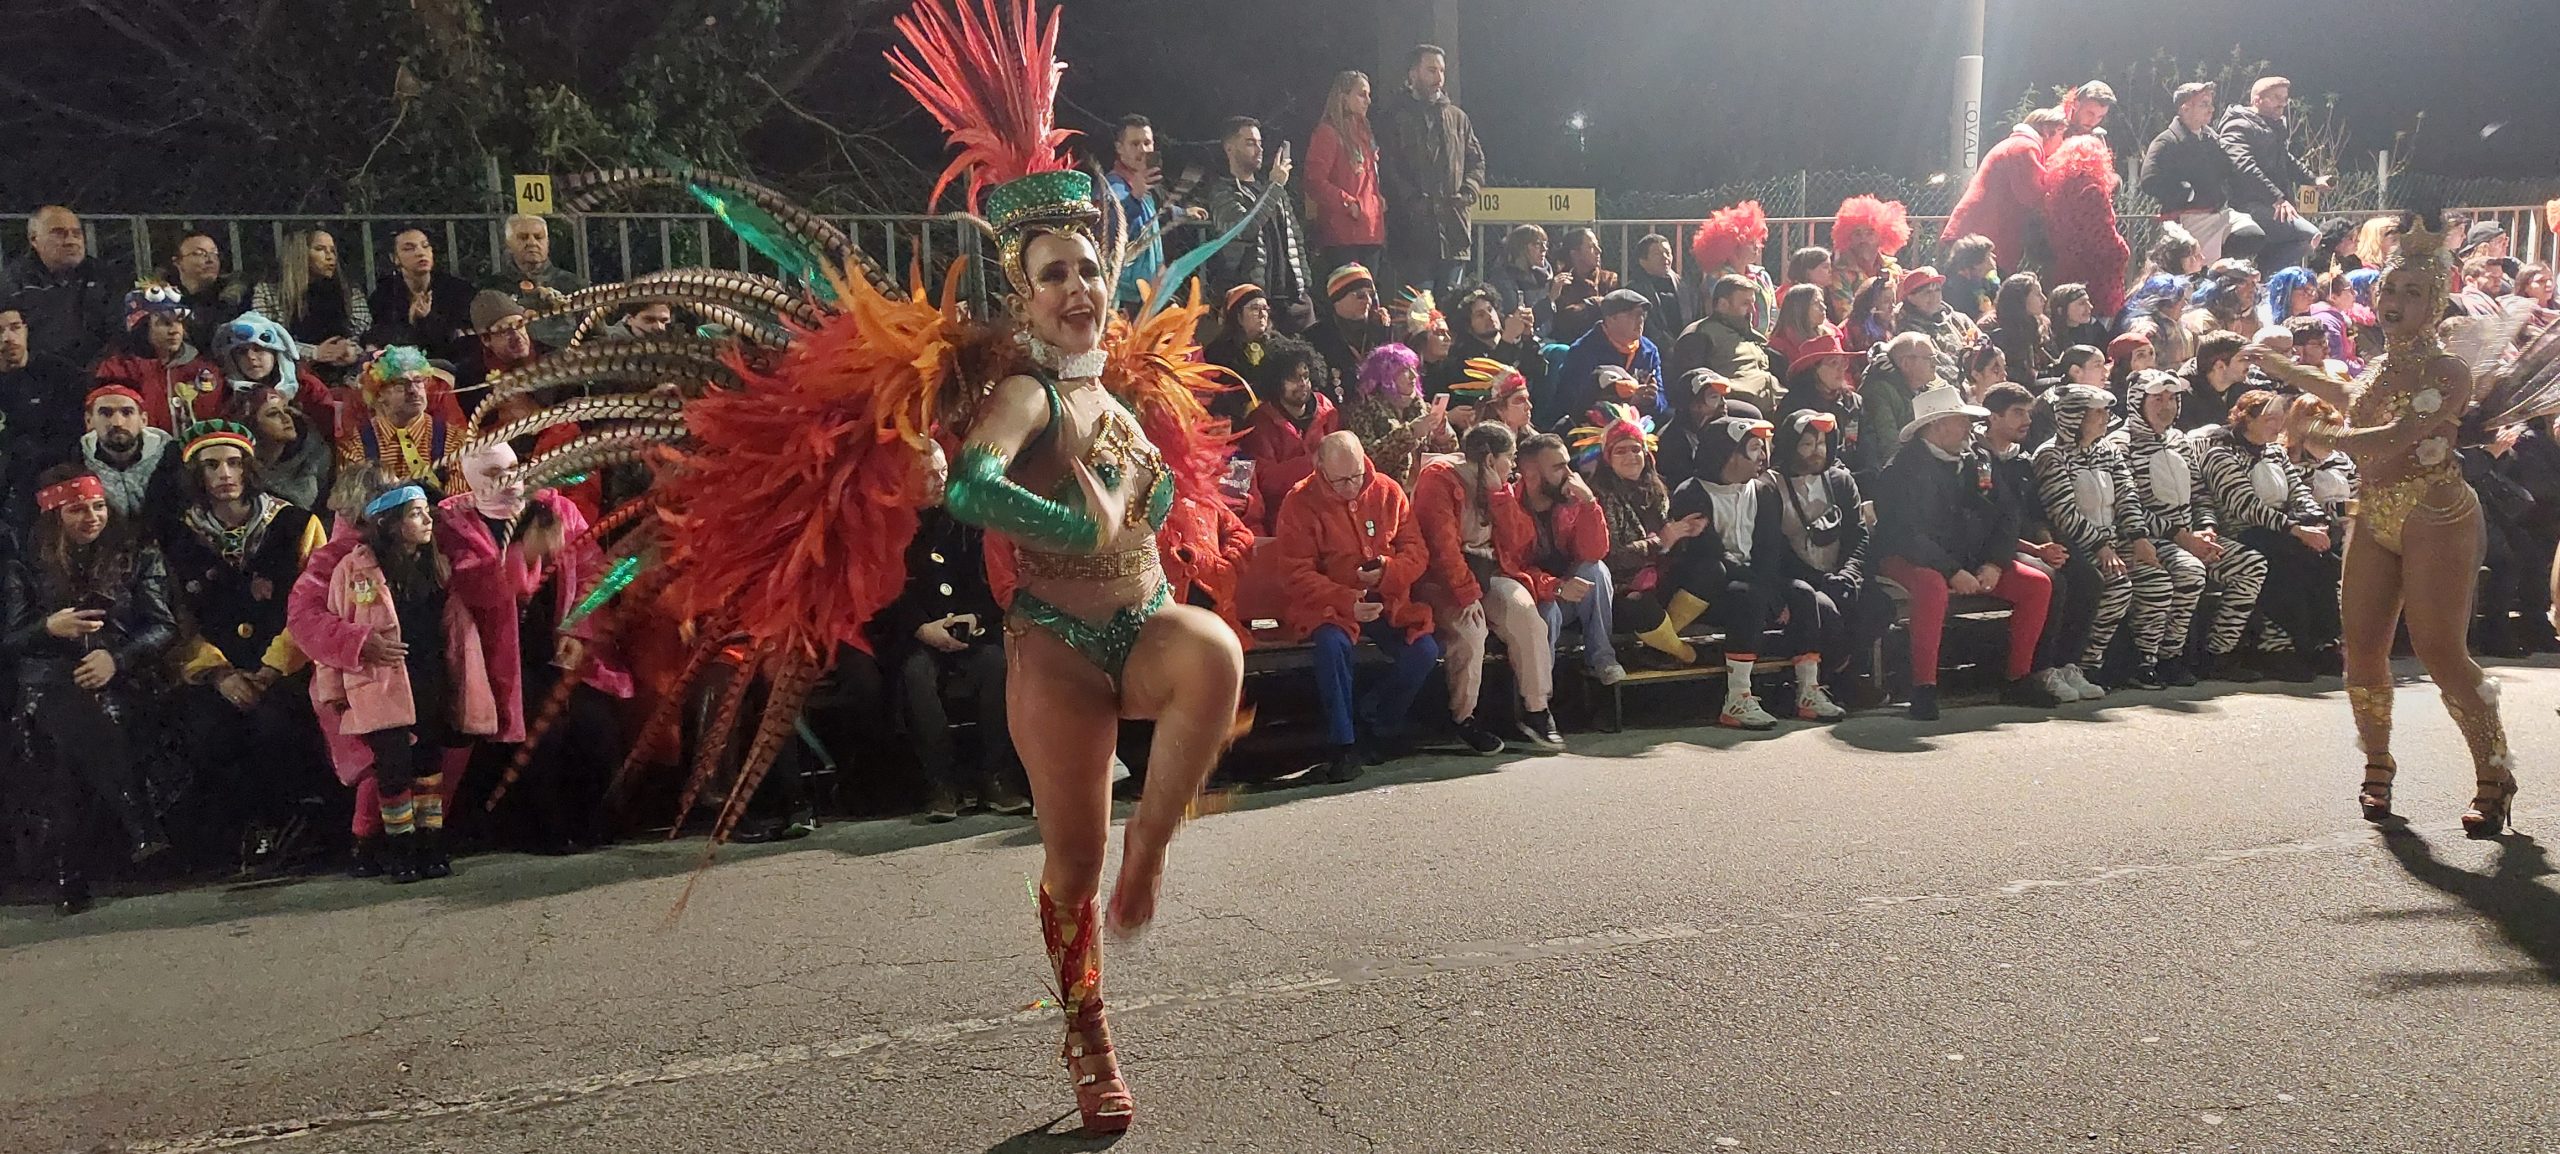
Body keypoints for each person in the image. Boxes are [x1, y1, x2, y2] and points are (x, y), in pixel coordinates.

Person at [2244, 219, 2520, 836]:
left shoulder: (2449, 372)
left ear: (2437, 303)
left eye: (2415, 293)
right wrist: (2285, 373)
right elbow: (2350, 398)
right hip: (2374, 512)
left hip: (2436, 513)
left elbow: (2395, 437)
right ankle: (2377, 764)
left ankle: (2494, 770)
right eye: (2391, 290)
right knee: (2362, 648)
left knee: (2440, 650)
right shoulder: (2374, 367)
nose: (2396, 302)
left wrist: (2320, 437)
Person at [437, 442, 630, 852]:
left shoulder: (556, 509)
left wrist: (579, 634)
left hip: (556, 649)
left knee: (597, 726)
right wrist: (524, 553)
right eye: (492, 474)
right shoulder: (456, 522)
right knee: (544, 732)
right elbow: (473, 587)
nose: (506, 480)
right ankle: (541, 830)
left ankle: (594, 823)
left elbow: (594, 572)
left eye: (511, 468)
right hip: (497, 661)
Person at [4, 465, 176, 914]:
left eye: (98, 507)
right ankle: (140, 822)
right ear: (54, 517)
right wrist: (47, 626)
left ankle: (69, 871)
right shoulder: (24, 564)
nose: (92, 518)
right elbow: (10, 641)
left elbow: (162, 626)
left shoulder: (136, 553)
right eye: (78, 510)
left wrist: (116, 659)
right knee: (68, 712)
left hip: (121, 674)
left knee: (75, 730)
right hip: (48, 682)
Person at [310, 479, 498, 883]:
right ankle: (401, 847)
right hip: (379, 684)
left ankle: (432, 842)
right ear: (391, 524)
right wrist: (333, 690)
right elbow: (331, 628)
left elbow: (453, 627)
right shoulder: (355, 569)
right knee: (394, 768)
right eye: (416, 514)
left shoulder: (436, 567)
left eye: (426, 512)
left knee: (429, 765)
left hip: (427, 677)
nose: (427, 519)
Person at [162, 420, 331, 867]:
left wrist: (273, 667)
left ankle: (294, 827)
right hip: (215, 673)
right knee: (207, 732)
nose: (224, 474)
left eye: (234, 462)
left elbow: (316, 602)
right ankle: (235, 834)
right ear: (195, 475)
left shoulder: (297, 524)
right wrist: (218, 673)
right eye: (212, 465)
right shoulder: (175, 538)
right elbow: (175, 618)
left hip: (286, 666)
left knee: (277, 725)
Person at [1874, 387, 2058, 719]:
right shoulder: (1902, 470)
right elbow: (1908, 534)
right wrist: (1951, 571)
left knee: (2037, 584)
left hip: (1972, 559)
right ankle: (1924, 688)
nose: (1968, 429)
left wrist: (1995, 563)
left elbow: (2007, 514)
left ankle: (2017, 677)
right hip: (1909, 558)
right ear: (1937, 426)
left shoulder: (1978, 459)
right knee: (1930, 586)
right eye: (1960, 421)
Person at [1642, 416, 1838, 728]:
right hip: (1711, 588)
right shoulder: (1691, 493)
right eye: (1754, 449)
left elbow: (1768, 551)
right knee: (1749, 598)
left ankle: (1808, 692)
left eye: (1763, 448)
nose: (1763, 456)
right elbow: (1709, 557)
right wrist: (1770, 596)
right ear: (1730, 454)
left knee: (1802, 593)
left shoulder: (1763, 491)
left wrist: (1775, 593)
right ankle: (1737, 698)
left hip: (1756, 579)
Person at [1275, 430, 1437, 781]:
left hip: (1387, 600)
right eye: (1341, 481)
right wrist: (1346, 599)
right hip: (1328, 606)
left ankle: (1377, 722)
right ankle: (1343, 745)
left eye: (1357, 477)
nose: (1351, 487)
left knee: (1423, 649)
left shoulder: (1387, 491)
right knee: (1332, 648)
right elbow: (1296, 573)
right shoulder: (1299, 501)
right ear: (1320, 469)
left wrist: (1387, 573)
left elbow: (1416, 551)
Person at [1413, 423, 1568, 753]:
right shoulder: (1438, 479)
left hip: (1488, 571)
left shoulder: (1499, 484)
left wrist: (1500, 498)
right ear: (1488, 459)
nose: (1512, 465)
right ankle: (1464, 719)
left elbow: (1520, 540)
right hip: (1440, 579)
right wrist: (1467, 593)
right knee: (1471, 629)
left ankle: (1536, 710)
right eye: (1509, 457)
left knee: (1525, 614)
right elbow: (1441, 549)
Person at [873, 507, 1027, 820]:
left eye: (940, 472)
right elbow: (884, 590)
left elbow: (985, 580)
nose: (936, 480)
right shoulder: (888, 526)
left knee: (996, 665)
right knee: (916, 675)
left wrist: (977, 617)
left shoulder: (964, 524)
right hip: (915, 637)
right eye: (928, 474)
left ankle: (996, 777)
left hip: (968, 631)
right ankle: (940, 784)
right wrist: (919, 627)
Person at [2111, 369, 2263, 684]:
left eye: (2172, 398)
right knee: (2189, 571)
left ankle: (2217, 654)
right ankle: (2156, 658)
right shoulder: (2119, 444)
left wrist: (2206, 527)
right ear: (2139, 401)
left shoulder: (2179, 440)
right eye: (2157, 398)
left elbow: (2199, 493)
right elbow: (2127, 505)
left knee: (2251, 565)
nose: (2166, 405)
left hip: (2190, 535)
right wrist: (2181, 537)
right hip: (2146, 538)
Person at [2198, 390, 2340, 680]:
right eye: (2269, 419)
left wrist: (2315, 519)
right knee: (2284, 563)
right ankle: (2274, 649)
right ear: (2247, 418)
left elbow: (2298, 490)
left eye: (2280, 419)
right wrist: (2296, 529)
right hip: (2244, 530)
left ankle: (2320, 643)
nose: (2277, 426)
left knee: (2323, 560)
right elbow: (2244, 506)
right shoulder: (2221, 453)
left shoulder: (2275, 451)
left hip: (2284, 527)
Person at [1979, 384, 2100, 702]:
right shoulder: (1977, 460)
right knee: (2052, 581)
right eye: (2017, 413)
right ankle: (2040, 668)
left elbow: (2035, 513)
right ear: (1993, 417)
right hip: (1994, 547)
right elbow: (1988, 524)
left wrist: (2048, 544)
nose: (2027, 421)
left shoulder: (2022, 461)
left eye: (2028, 413)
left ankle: (2067, 664)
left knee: (2087, 576)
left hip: (2031, 543)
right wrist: (2037, 551)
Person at [2032, 383, 2151, 693]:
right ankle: (2082, 662)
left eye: (2105, 411)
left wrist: (2138, 535)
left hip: (2113, 539)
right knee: (2115, 584)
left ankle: (2150, 662)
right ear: (2074, 417)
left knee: (2159, 578)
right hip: (2076, 543)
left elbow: (2127, 495)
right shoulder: (2051, 455)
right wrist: (2101, 546)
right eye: (2095, 412)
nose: (2104, 417)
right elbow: (2063, 513)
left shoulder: (2108, 450)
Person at [1771, 408, 1891, 709]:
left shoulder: (1841, 481)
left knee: (1877, 606)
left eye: (1822, 443)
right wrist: (1820, 580)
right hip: (1795, 576)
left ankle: (1845, 677)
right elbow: (1774, 548)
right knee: (1824, 609)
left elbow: (1858, 534)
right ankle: (1829, 680)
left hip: (1839, 572)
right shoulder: (1769, 485)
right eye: (1807, 444)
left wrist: (1850, 572)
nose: (1816, 452)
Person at [1377, 43, 1484, 298]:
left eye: (1442, 71)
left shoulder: (1458, 118)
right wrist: (1413, 202)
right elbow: (1387, 168)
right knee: (1417, 317)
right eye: (1431, 70)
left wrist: (1468, 192)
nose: (1438, 78)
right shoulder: (1393, 117)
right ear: (1413, 74)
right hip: (1412, 237)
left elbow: (1476, 161)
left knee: (1451, 316)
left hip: (1454, 235)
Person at [1520, 428, 1620, 689]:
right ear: (1531, 475)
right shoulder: (1511, 505)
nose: (1569, 475)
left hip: (1568, 593)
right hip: (1532, 598)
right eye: (1558, 467)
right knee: (1547, 610)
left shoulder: (1570, 499)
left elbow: (1594, 553)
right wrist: (1555, 587)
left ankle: (1602, 659)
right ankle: (1541, 693)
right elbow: (1513, 568)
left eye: (1567, 464)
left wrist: (1588, 503)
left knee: (1596, 571)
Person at [2139, 82, 2267, 264]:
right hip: (2188, 217)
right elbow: (2150, 180)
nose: (2211, 109)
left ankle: (2217, 275)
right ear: (2185, 108)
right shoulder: (2166, 141)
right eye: (2204, 104)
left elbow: (2229, 170)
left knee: (2251, 235)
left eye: (2210, 104)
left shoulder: (2211, 138)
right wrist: (2185, 194)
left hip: (2219, 213)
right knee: (2191, 270)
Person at [1203, 117, 1311, 327]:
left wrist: (1305, 283)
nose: (1259, 149)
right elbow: (1245, 229)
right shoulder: (1222, 191)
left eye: (1260, 143)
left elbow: (1296, 237)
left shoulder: (1272, 189)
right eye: (1250, 143)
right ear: (1230, 148)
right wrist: (1274, 186)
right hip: (1255, 300)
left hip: (1293, 298)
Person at [2217, 78, 2329, 273]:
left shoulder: (2271, 127)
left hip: (2273, 205)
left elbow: (2285, 159)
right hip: (2250, 204)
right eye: (2276, 98)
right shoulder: (2237, 126)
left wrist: (2313, 180)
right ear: (2257, 100)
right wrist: (2276, 198)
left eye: (2285, 98)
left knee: (2288, 246)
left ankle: (2262, 281)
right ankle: (2261, 278)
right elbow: (2244, 166)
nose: (2283, 103)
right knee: (2309, 236)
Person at [0, 302, 91, 525]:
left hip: (56, 477)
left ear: (26, 329)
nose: (7, 338)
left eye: (15, 327)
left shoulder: (59, 372)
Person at [1943, 111, 2061, 281]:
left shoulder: (2015, 144)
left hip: (1977, 231)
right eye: (2061, 134)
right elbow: (2033, 195)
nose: (2062, 142)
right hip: (1985, 234)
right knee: (1976, 294)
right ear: (2048, 131)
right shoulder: (2025, 147)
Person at [1234, 336, 1337, 530]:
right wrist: (1314, 463)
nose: (1302, 384)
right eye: (1293, 378)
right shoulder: (1260, 422)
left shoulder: (1327, 408)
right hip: (1286, 519)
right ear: (1276, 381)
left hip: (1330, 513)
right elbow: (1264, 481)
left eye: (1305, 376)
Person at [93, 285, 227, 432]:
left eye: (179, 322)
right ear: (141, 327)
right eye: (165, 323)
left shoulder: (205, 370)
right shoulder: (117, 370)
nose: (175, 330)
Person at [252, 230, 372, 387]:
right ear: (299, 254)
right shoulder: (268, 292)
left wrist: (349, 350)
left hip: (347, 374)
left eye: (332, 250)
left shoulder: (349, 291)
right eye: (320, 249)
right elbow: (265, 337)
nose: (330, 257)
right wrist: (314, 353)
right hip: (291, 375)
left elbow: (364, 330)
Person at [6, 206, 125, 364]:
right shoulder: (11, 284)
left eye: (77, 233)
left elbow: (119, 334)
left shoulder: (105, 276)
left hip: (99, 376)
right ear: (34, 239)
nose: (71, 241)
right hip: (36, 378)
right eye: (59, 233)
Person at [1104, 115, 1198, 312]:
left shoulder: (1142, 184)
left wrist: (1183, 213)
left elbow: (1154, 214)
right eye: (1135, 144)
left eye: (1147, 143)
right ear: (1119, 148)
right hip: (1124, 298)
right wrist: (1135, 196)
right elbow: (1109, 225)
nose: (1143, 150)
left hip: (1149, 294)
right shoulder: (1112, 185)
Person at [1304, 72, 1387, 280]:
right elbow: (1314, 180)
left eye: (1369, 95)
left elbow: (1368, 177)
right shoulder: (1328, 132)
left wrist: (1378, 199)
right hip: (1342, 235)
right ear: (1343, 97)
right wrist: (1346, 202)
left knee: (1369, 301)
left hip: (1371, 231)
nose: (1368, 101)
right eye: (1361, 94)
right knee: (1347, 301)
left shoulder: (1365, 133)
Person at [2040, 130, 2130, 319]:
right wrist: (2122, 251)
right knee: (2097, 327)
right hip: (2096, 275)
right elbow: (2103, 237)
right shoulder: (2092, 190)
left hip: (2065, 267)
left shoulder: (2057, 189)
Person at [1340, 342, 1452, 487]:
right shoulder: (1362, 410)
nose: (1414, 375)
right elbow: (1366, 462)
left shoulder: (1424, 408)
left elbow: (1449, 457)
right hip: (1386, 495)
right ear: (1385, 375)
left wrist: (1443, 437)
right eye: (1404, 370)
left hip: (1425, 494)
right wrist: (1410, 433)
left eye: (1414, 368)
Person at [1549, 289, 1665, 427]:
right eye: (1632, 315)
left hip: (1638, 426)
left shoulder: (1649, 350)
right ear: (1610, 319)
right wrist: (1623, 398)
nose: (1640, 320)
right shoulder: (1583, 350)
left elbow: (1662, 400)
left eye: (1642, 315)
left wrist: (1652, 400)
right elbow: (1570, 403)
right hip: (1592, 429)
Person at [1668, 276, 1781, 415]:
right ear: (1723, 304)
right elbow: (1691, 383)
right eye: (1745, 304)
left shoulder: (1751, 336)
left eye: (1753, 303)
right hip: (1734, 404)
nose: (1753, 311)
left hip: (1774, 398)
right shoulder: (1700, 334)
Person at [78, 385, 182, 530]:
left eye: (127, 412)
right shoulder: (75, 464)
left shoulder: (175, 459)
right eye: (106, 413)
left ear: (144, 420)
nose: (117, 422)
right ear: (89, 421)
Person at [368, 228, 478, 362]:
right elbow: (379, 338)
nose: (420, 253)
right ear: (395, 258)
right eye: (409, 248)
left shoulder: (457, 290)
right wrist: (411, 321)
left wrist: (428, 319)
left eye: (425, 246)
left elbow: (460, 337)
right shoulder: (385, 293)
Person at [486, 214, 588, 349]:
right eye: (523, 237)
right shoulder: (494, 288)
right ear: (508, 244)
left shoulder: (573, 284)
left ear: (547, 243)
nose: (532, 243)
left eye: (538, 237)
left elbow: (592, 333)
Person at [233, 381, 335, 516]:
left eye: (286, 410)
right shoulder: (238, 469)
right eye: (273, 414)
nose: (286, 418)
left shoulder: (315, 455)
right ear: (251, 425)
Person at [1776, 336, 1868, 480]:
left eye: (1843, 363)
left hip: (1853, 478)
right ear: (1813, 369)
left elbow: (1867, 447)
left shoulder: (1853, 402)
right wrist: (1843, 478)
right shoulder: (1795, 405)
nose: (1841, 369)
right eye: (1833, 363)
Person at [1689, 201, 1776, 335]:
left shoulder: (1762, 275)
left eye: (1757, 241)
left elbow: (1773, 311)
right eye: (1751, 242)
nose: (1757, 247)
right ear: (1734, 246)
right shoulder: (1716, 279)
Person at [1858, 333, 1940, 474]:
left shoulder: (1928, 388)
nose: (1936, 363)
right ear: (1906, 363)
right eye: (1929, 358)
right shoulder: (1879, 391)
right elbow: (1889, 446)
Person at [1309, 264, 1393, 396]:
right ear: (1338, 299)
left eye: (1371, 295)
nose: (1368, 301)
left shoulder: (1381, 328)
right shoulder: (1316, 336)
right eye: (1360, 295)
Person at [1829, 196, 1912, 327]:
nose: (1863, 239)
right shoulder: (1841, 273)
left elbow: (1903, 308)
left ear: (1883, 235)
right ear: (1848, 238)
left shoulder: (1894, 270)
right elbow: (1846, 316)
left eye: (1870, 233)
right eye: (1857, 234)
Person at [1202, 284, 1275, 423]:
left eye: (1265, 309)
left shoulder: (1277, 345)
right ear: (1238, 315)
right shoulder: (1219, 352)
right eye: (1255, 308)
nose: (1262, 314)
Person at [1892, 266, 1980, 376]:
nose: (1934, 297)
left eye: (1937, 290)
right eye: (1927, 292)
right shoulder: (1907, 331)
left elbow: (1985, 343)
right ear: (1910, 297)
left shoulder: (1959, 319)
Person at [167, 232, 250, 348]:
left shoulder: (233, 294)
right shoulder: (167, 298)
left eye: (214, 253)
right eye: (199, 253)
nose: (210, 259)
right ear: (178, 262)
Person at [1546, 227, 1621, 345]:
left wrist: (1584, 307)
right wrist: (1595, 303)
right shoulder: (1561, 282)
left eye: (1597, 245)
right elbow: (1563, 320)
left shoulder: (1609, 279)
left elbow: (1617, 311)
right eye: (1591, 247)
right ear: (1575, 254)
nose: (1599, 251)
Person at [1984, 272, 2051, 389]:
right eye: (2037, 294)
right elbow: (2014, 375)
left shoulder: (2036, 323)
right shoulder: (1996, 330)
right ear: (2021, 299)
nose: (2044, 299)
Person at [1486, 225, 1554, 335]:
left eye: (1545, 244)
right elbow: (1518, 322)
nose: (1544, 249)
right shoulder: (1503, 279)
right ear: (1521, 248)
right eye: (1537, 244)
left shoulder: (1544, 275)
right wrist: (1550, 299)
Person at [2181, 330, 2251, 432]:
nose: (2249, 363)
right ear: (2220, 366)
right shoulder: (2185, 397)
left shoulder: (2241, 388)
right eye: (2242, 359)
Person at [1626, 233, 1687, 348]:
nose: (1665, 257)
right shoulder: (1634, 291)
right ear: (1643, 261)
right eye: (1657, 254)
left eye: (1668, 253)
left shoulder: (1685, 287)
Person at [1767, 283, 1840, 372]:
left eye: (1822, 302)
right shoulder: (1779, 346)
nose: (1823, 307)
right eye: (1816, 303)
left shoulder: (1831, 333)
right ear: (1800, 309)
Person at [1942, 235, 2000, 321]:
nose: (1994, 257)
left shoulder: (1988, 281)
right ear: (1976, 264)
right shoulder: (1956, 289)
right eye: (1989, 255)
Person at [2047, 283, 2109, 353]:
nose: (2090, 306)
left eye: (2088, 301)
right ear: (2060, 310)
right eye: (2082, 303)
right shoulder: (2050, 337)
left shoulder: (2095, 329)